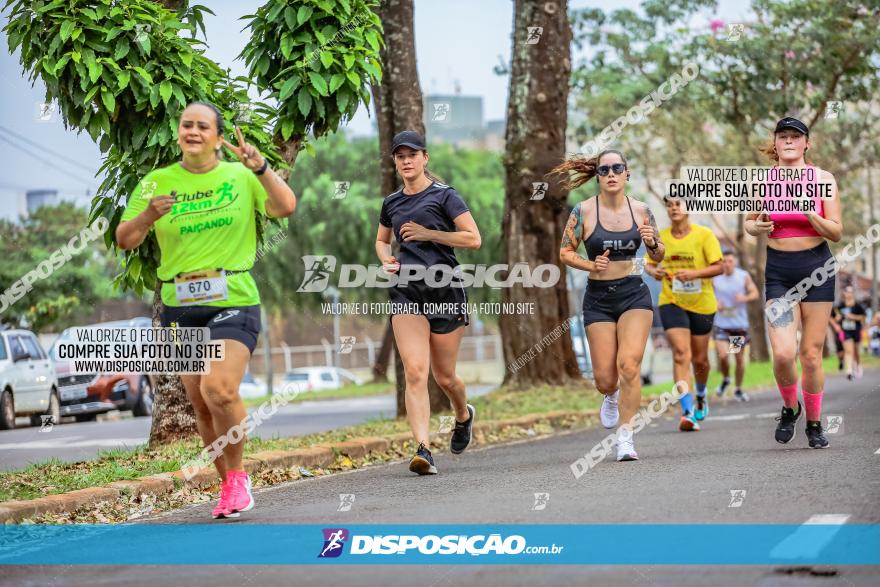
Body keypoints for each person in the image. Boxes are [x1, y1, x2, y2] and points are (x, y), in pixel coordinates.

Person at [116, 102, 296, 518]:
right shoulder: (157, 181)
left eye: (202, 126)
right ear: (178, 133)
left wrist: (261, 167)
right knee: (200, 404)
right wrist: (147, 214)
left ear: (217, 137)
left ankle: (237, 476)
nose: (193, 131)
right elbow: (125, 239)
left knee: (219, 389)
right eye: (186, 125)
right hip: (181, 305)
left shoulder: (239, 176)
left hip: (232, 296)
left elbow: (285, 207)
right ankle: (228, 484)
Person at [375, 130, 481, 475]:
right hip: (407, 291)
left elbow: (473, 238)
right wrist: (386, 258)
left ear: (425, 158)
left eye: (412, 155)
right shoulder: (392, 202)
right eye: (400, 156)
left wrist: (428, 234)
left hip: (445, 289)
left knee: (445, 377)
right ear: (395, 162)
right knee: (415, 372)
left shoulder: (445, 196)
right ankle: (423, 449)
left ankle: (463, 415)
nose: (406, 161)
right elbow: (381, 239)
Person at [552, 149, 664, 461]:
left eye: (618, 168)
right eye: (604, 170)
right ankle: (611, 395)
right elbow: (565, 252)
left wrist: (652, 242)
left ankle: (626, 438)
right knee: (605, 378)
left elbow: (659, 255)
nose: (611, 174)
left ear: (627, 174)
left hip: (634, 295)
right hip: (599, 299)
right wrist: (591, 266)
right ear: (598, 177)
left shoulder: (642, 210)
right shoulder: (584, 211)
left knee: (629, 365)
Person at [745, 117, 842, 449]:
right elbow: (749, 223)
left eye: (795, 136)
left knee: (811, 355)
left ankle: (814, 424)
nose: (789, 141)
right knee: (784, 354)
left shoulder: (823, 179)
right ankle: (791, 407)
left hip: (817, 269)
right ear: (775, 143)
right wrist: (756, 228)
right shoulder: (763, 182)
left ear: (806, 143)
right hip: (779, 272)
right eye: (783, 136)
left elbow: (837, 231)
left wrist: (810, 212)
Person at [645, 198, 723, 430]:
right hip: (671, 301)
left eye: (679, 204)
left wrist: (695, 274)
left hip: (702, 304)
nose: (674, 208)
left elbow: (719, 266)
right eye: (670, 205)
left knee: (700, 359)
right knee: (681, 354)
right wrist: (654, 272)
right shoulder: (662, 239)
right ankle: (687, 411)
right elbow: (648, 263)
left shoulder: (704, 235)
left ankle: (700, 393)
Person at [713, 250, 759, 401]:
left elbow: (755, 293)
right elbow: (708, 295)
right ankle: (726, 379)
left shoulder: (742, 276)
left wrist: (744, 297)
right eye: (724, 261)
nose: (727, 264)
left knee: (738, 359)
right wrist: (715, 303)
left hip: (738, 326)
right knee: (723, 356)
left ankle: (738, 389)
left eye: (730, 261)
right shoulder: (715, 278)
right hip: (721, 324)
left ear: (735, 262)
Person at [833, 285, 866, 380]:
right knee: (848, 351)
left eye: (851, 292)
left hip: (856, 330)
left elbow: (863, 317)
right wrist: (837, 320)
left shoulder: (858, 305)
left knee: (856, 352)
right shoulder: (840, 306)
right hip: (845, 331)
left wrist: (853, 317)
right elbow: (835, 318)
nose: (849, 293)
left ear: (853, 293)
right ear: (844, 293)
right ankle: (849, 371)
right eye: (847, 291)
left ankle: (858, 364)